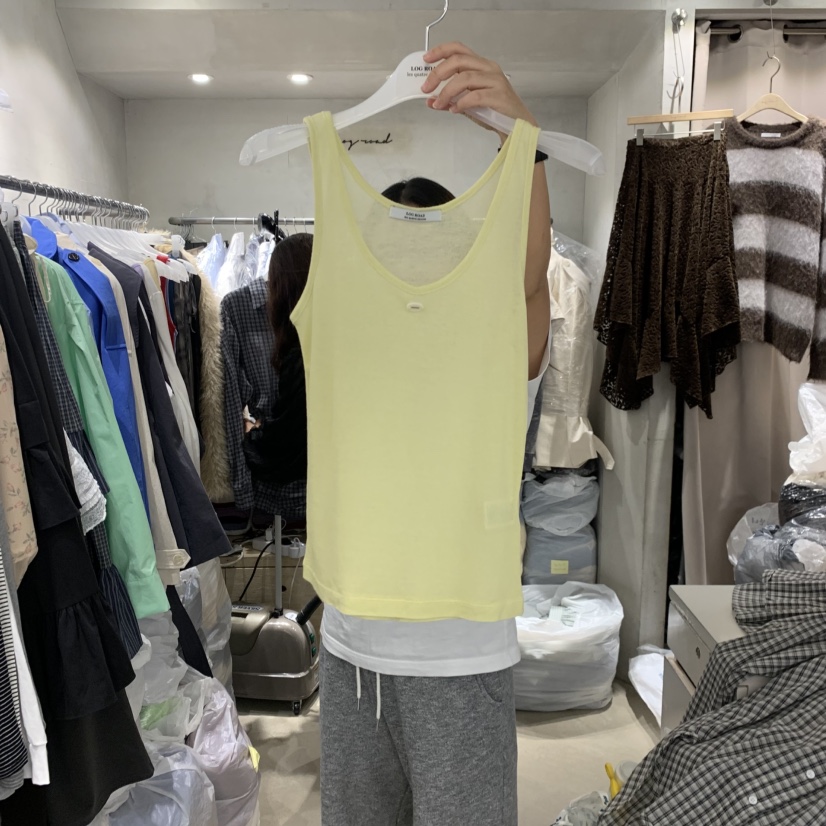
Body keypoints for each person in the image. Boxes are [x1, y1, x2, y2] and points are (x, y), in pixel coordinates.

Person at [305, 43, 553, 826]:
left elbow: (528, 281)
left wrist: (525, 143)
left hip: (462, 657)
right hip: (350, 647)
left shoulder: (498, 320)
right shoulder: (346, 307)